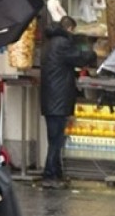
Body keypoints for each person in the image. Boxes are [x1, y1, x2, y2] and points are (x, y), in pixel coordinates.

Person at [39, 15, 97, 189]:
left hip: (51, 98)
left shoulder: (49, 43)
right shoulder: (62, 44)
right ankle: (49, 175)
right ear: (70, 28)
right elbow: (80, 57)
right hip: (58, 98)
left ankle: (56, 173)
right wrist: (90, 49)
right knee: (56, 140)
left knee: (54, 139)